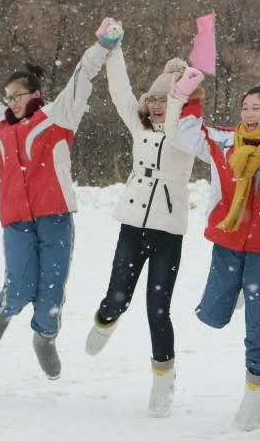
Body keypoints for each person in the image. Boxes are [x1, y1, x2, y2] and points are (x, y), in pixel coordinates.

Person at [0, 18, 120, 379]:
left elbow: (82, 77)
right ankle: (2, 312)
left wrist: (101, 47)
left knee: (51, 289)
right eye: (7, 96)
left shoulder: (59, 116)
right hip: (17, 219)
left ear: (35, 94)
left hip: (55, 216)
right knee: (20, 285)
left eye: (17, 95)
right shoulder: (1, 124)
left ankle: (45, 337)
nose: (10, 101)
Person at [168, 86, 260, 430]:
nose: (249, 114)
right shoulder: (225, 141)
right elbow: (182, 134)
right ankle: (237, 291)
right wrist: (191, 96)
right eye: (245, 107)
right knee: (212, 315)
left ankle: (256, 387)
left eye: (257, 108)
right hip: (227, 241)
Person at [85, 51, 205, 417]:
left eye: (164, 101)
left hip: (168, 229)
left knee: (158, 309)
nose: (156, 107)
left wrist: (180, 95)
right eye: (152, 99)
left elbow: (175, 118)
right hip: (133, 224)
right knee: (116, 298)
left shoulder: (185, 133)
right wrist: (115, 49)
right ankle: (106, 319)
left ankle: (163, 378)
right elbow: (120, 91)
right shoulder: (139, 128)